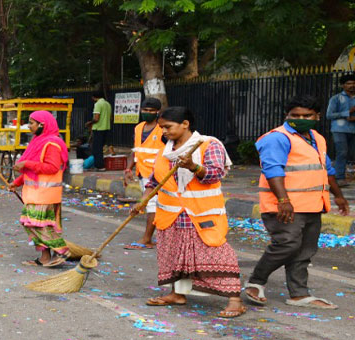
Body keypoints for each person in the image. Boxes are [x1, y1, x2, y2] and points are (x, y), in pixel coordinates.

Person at [135, 106, 245, 318]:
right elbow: (155, 181)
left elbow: (214, 174)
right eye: (161, 128)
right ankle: (177, 294)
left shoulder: (208, 145)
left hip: (201, 215)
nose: (164, 131)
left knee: (218, 256)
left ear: (185, 124)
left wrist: (194, 166)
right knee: (175, 255)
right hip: (171, 216)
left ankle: (235, 300)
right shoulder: (165, 150)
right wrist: (143, 201)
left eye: (168, 127)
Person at [243, 95, 348, 309]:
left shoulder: (317, 138)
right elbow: (272, 170)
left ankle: (299, 294)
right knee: (287, 244)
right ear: (287, 116)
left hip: (312, 205)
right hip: (284, 206)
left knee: (304, 251)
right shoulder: (277, 138)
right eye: (295, 115)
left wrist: (338, 196)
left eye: (307, 115)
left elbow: (327, 169)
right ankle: (256, 281)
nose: (301, 119)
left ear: (317, 116)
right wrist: (283, 200)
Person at [8, 111, 70, 267]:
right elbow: (31, 172)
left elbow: (52, 167)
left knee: (36, 224)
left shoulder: (52, 144)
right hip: (34, 193)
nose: (29, 126)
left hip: (46, 194)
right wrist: (17, 182)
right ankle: (44, 257)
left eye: (32, 123)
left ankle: (62, 250)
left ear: (42, 125)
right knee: (33, 224)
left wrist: (26, 164)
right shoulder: (37, 141)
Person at [123, 97, 165, 249]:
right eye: (144, 110)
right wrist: (129, 169)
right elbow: (136, 150)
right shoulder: (139, 127)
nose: (147, 113)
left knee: (152, 206)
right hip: (143, 173)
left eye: (150, 111)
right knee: (154, 206)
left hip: (158, 174)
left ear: (157, 112)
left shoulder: (163, 129)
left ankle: (147, 238)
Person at [326, 73, 355, 185]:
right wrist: (348, 112)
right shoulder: (336, 98)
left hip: (353, 129)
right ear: (343, 85)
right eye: (348, 83)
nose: (351, 85)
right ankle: (339, 178)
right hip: (339, 130)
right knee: (342, 152)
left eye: (353, 83)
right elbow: (329, 115)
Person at [87, 88, 111, 172]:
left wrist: (89, 123)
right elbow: (110, 117)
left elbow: (96, 118)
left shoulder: (98, 104)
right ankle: (99, 165)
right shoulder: (107, 104)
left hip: (98, 128)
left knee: (97, 149)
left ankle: (100, 166)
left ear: (94, 97)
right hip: (106, 128)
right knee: (100, 147)